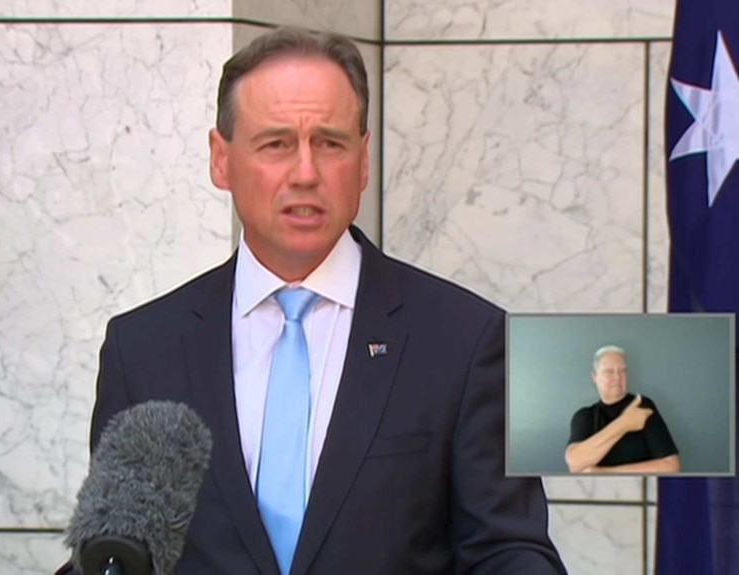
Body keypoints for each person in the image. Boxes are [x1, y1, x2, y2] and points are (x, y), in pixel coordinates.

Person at [58, 27, 565, 574]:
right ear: (221, 159)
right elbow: (118, 554)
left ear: (364, 160)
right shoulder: (143, 350)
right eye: (276, 144)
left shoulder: (465, 342)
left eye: (330, 143)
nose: (305, 173)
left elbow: (506, 552)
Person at [565, 345, 680, 473]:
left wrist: (606, 473)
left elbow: (671, 466)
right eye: (609, 371)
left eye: (623, 371)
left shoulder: (642, 406)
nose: (618, 377)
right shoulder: (585, 416)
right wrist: (624, 423)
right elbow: (575, 464)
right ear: (595, 377)